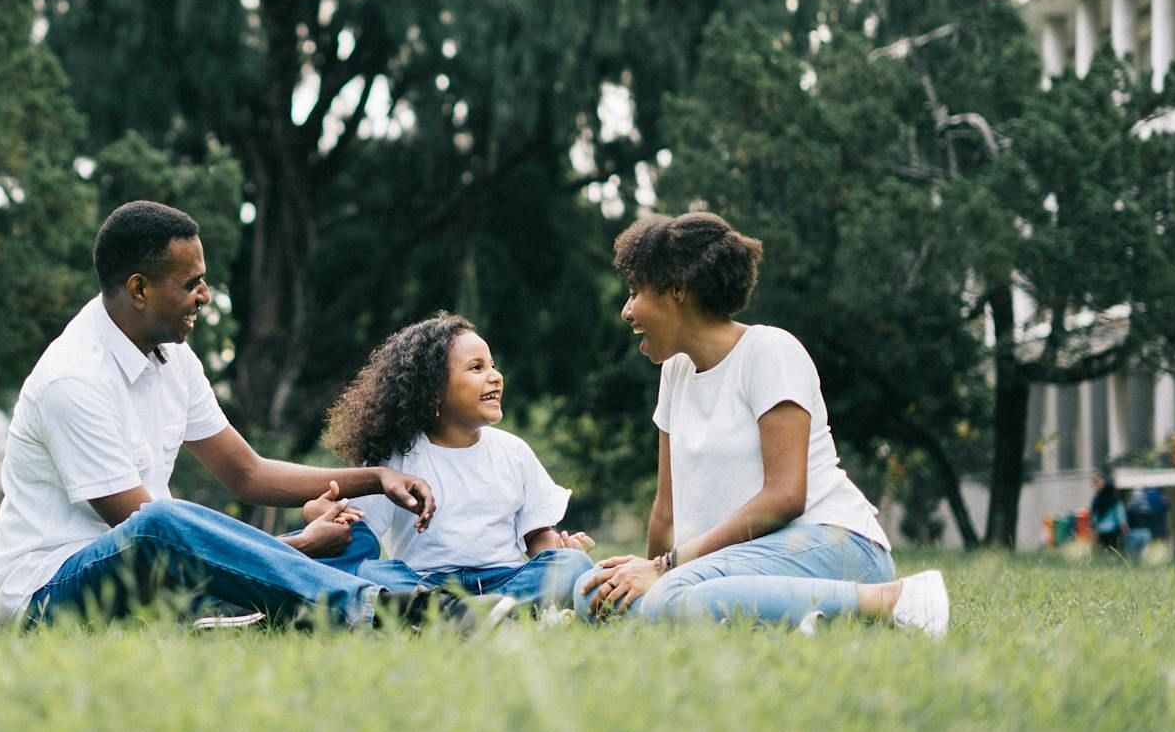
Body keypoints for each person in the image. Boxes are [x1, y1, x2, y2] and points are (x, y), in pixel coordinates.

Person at [0, 200, 468, 630]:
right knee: (161, 520)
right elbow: (148, 536)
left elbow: (248, 474)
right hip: (50, 594)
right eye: (191, 283)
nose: (207, 295)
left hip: (153, 576)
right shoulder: (72, 380)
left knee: (351, 541)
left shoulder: (173, 357)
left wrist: (376, 477)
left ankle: (450, 601)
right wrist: (294, 549)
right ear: (139, 289)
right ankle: (374, 609)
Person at [579, 212, 949, 636]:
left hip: (830, 543)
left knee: (672, 596)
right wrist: (643, 576)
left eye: (633, 292)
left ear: (677, 289)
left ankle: (893, 599)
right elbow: (667, 511)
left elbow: (785, 496)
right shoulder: (675, 373)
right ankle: (799, 619)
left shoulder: (769, 351)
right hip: (738, 561)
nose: (627, 310)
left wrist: (666, 570)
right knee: (592, 595)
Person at [320, 314, 597, 612]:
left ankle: (482, 611)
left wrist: (556, 552)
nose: (494, 376)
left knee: (573, 564)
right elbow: (361, 534)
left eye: (493, 365)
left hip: (503, 578)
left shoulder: (514, 451)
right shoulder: (396, 457)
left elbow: (537, 535)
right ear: (432, 393)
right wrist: (325, 515)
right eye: (477, 368)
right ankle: (460, 611)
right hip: (425, 586)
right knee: (370, 573)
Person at [1090, 471, 1126, 554]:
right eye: (1095, 483)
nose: (1096, 485)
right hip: (1107, 531)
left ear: (1104, 482)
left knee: (1108, 552)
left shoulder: (1100, 498)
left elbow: (1119, 513)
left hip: (1111, 530)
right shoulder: (1103, 497)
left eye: (1097, 482)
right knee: (1112, 552)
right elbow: (1094, 517)